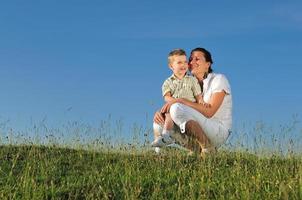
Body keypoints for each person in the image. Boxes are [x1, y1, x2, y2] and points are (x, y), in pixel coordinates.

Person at [153, 47, 232, 157]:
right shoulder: (188, 82)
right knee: (159, 122)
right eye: (190, 59)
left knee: (176, 108)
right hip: (196, 123)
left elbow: (210, 112)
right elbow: (178, 102)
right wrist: (163, 112)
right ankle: (194, 150)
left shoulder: (218, 79)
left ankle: (208, 149)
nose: (191, 62)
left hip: (217, 129)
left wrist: (180, 101)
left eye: (197, 59)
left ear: (207, 64)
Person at [151, 49, 206, 147]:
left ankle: (166, 136)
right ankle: (163, 139)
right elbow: (167, 97)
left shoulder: (192, 80)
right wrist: (172, 103)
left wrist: (201, 102)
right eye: (179, 62)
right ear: (171, 66)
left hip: (189, 108)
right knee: (167, 114)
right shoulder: (168, 82)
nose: (183, 65)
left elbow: (198, 96)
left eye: (185, 62)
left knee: (172, 109)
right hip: (174, 109)